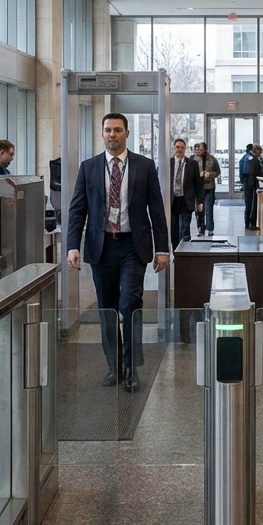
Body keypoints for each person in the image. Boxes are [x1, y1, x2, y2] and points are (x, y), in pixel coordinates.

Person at [66, 113, 171, 393]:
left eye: (117, 130)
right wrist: (72, 245)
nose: (111, 134)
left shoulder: (144, 166)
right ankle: (114, 365)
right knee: (108, 308)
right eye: (107, 130)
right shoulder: (88, 168)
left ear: (126, 133)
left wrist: (163, 249)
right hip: (102, 246)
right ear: (102, 134)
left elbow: (156, 210)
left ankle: (132, 367)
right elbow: (78, 208)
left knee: (130, 304)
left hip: (132, 246)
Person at [169, 138, 201, 244]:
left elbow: (198, 184)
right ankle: (175, 254)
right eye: (177, 147)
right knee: (174, 229)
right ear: (174, 148)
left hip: (186, 200)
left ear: (185, 149)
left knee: (184, 227)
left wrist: (200, 201)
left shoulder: (192, 164)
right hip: (172, 201)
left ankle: (184, 254)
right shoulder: (168, 163)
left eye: (182, 147)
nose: (179, 150)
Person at [192, 141, 220, 236]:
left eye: (200, 149)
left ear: (205, 149)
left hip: (209, 187)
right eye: (197, 149)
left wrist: (210, 174)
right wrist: (198, 175)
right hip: (197, 188)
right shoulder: (192, 159)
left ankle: (210, 228)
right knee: (199, 210)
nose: (198, 151)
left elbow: (217, 172)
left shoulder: (212, 159)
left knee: (208, 209)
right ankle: (200, 228)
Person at [241, 144, 263, 230]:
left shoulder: (245, 157)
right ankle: (252, 223)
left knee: (247, 204)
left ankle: (246, 223)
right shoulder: (254, 160)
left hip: (246, 183)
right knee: (252, 205)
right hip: (251, 184)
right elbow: (256, 173)